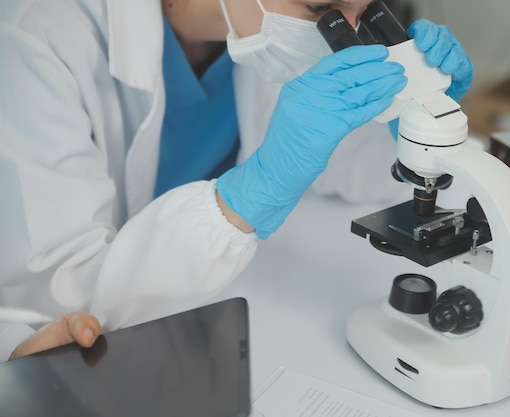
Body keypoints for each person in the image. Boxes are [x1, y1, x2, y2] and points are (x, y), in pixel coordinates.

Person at [0, 0, 473, 360]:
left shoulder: (256, 40)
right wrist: (251, 194)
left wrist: (414, 115)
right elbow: (55, 295)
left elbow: (347, 174)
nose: (348, 30)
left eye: (362, 6)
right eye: (319, 8)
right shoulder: (36, 35)